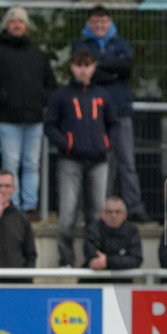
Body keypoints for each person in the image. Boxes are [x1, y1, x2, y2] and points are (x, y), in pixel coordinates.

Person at [0, 6, 58, 221]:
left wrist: (41, 100)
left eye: (21, 21)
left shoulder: (38, 55)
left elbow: (51, 83)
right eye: (13, 21)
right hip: (8, 119)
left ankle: (29, 207)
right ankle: (10, 205)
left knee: (32, 164)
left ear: (26, 26)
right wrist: (4, 100)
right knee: (10, 165)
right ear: (7, 25)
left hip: (34, 119)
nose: (17, 25)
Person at [73, 5, 151, 223]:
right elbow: (86, 71)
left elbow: (126, 67)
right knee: (100, 163)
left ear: (109, 23)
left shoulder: (120, 42)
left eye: (103, 22)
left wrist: (99, 68)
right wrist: (111, 71)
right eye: (95, 22)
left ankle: (134, 207)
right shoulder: (81, 45)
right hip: (93, 116)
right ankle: (101, 209)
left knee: (127, 162)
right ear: (89, 24)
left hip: (120, 113)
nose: (100, 26)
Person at [43, 49, 119, 267]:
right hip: (70, 160)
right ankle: (65, 259)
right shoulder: (61, 95)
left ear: (94, 67)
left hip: (99, 161)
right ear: (72, 67)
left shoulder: (103, 95)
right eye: (78, 65)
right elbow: (50, 126)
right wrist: (67, 143)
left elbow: (114, 123)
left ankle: (93, 257)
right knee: (67, 214)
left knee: (97, 213)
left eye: (87, 65)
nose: (83, 70)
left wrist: (107, 144)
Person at [84, 196, 144, 273]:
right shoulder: (93, 228)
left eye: (117, 212)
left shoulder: (132, 230)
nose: (113, 215)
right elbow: (91, 253)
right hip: (96, 279)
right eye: (109, 212)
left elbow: (136, 259)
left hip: (122, 281)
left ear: (125, 214)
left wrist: (108, 261)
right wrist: (118, 260)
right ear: (102, 214)